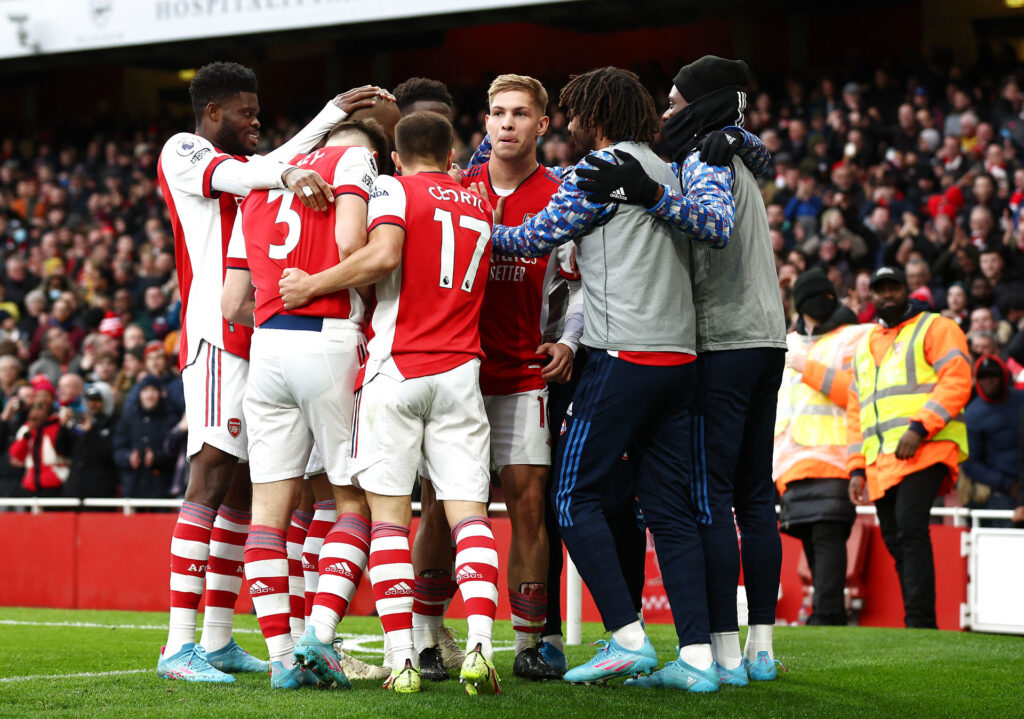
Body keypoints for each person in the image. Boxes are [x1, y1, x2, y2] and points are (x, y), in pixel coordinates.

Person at [487, 66, 733, 692]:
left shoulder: (595, 174)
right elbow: (712, 224)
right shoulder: (669, 168)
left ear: (595, 116)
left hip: (622, 356)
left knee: (570, 499)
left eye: (573, 111)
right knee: (671, 512)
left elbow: (525, 240)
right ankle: (699, 661)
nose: (567, 122)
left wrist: (454, 220)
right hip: (680, 360)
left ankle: (626, 639)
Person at [155, 59, 388, 682]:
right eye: (246, 112)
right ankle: (178, 648)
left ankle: (219, 637)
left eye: (259, 111)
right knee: (207, 475)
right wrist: (321, 134)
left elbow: (270, 164)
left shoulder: (254, 178)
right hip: (215, 339)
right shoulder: (183, 150)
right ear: (212, 113)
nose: (256, 122)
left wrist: (323, 127)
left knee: (240, 490)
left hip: (258, 340)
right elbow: (259, 169)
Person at [575, 56, 786, 683]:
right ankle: (763, 650)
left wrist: (649, 195)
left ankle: (720, 656)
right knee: (754, 497)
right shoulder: (738, 151)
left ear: (700, 103)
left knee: (709, 501)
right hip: (768, 338)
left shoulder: (702, 158)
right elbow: (761, 154)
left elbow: (712, 225)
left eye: (673, 101)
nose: (667, 111)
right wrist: (742, 132)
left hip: (720, 342)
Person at [280, 111, 501, 695]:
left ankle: (402, 657)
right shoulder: (478, 202)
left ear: (396, 159)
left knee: (388, 521)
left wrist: (311, 284)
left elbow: (381, 258)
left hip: (397, 368)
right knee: (468, 516)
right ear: (451, 156)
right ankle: (480, 645)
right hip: (462, 372)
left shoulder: (392, 189)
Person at [222, 120, 382, 690]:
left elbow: (231, 301)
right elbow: (349, 247)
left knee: (269, 511)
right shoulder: (353, 161)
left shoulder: (256, 185)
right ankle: (319, 631)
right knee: (354, 500)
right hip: (330, 336)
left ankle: (283, 660)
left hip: (267, 345)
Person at [456, 74, 577, 681]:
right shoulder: (456, 191)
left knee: (529, 507)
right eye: (497, 113)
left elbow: (578, 288)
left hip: (524, 375)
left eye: (520, 114)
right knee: (441, 505)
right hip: (455, 375)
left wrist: (568, 340)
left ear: (542, 124)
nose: (507, 123)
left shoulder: (561, 194)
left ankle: (530, 642)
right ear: (485, 124)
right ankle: (429, 640)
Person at [847, 266, 971, 629]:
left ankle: (920, 621)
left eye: (893, 288)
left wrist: (920, 427)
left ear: (907, 290)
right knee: (895, 536)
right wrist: (856, 467)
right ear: (872, 296)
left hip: (928, 447)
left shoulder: (936, 327)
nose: (887, 294)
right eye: (880, 289)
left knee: (910, 526)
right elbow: (858, 413)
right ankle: (917, 620)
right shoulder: (865, 345)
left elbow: (958, 379)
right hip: (882, 462)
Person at [775, 269, 867, 625]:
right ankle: (823, 610)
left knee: (827, 533)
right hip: (790, 463)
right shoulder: (789, 340)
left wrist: (806, 367)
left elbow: (856, 392)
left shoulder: (856, 336)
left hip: (836, 459)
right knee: (811, 536)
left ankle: (828, 613)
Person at [961, 355, 1024, 526]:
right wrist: (1006, 484)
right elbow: (970, 463)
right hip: (1002, 492)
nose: (988, 381)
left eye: (993, 376)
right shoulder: (973, 415)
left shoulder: (1021, 400)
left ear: (1003, 377)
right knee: (1006, 542)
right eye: (983, 377)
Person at [114, 374, 177, 498]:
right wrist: (129, 457)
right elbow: (118, 449)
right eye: (145, 390)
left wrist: (157, 458)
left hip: (161, 486)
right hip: (133, 486)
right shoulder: (128, 419)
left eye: (153, 390)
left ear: (160, 394)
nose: (149, 395)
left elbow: (175, 451)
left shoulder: (171, 419)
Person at [56, 382, 118, 501]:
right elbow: (62, 450)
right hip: (75, 487)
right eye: (89, 400)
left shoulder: (114, 423)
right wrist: (63, 428)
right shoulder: (79, 421)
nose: (92, 404)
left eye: (97, 400)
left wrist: (91, 432)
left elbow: (107, 453)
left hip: (100, 490)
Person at [8, 387, 68, 496]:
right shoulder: (26, 429)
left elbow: (62, 450)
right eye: (34, 408)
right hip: (30, 484)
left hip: (56, 484)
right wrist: (28, 434)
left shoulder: (58, 425)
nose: (35, 412)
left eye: (40, 408)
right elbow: (16, 456)